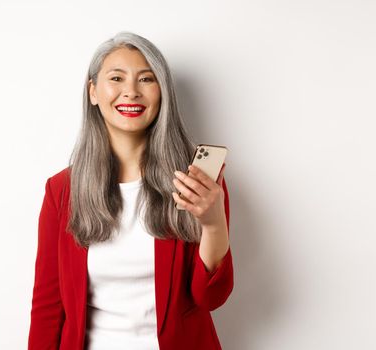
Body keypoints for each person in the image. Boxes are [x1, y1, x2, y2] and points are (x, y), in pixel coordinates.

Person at [28, 31, 233, 350]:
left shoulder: (197, 182)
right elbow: (48, 308)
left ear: (162, 93)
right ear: (93, 91)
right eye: (117, 78)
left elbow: (210, 297)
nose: (131, 92)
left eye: (146, 79)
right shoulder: (62, 190)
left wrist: (213, 222)